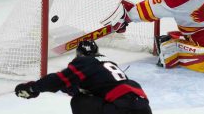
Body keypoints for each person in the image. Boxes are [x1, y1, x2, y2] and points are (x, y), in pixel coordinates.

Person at [15, 40, 152, 114]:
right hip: (144, 107)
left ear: (79, 54)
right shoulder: (108, 64)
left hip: (121, 108)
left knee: (79, 101)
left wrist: (32, 88)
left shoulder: (84, 62)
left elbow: (58, 80)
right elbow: (74, 87)